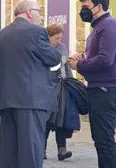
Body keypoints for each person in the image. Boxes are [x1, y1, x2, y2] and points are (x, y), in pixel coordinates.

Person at [0, 0, 61, 168]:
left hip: (7, 103)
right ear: (29, 12)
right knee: (31, 153)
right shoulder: (37, 33)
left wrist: (1, 103)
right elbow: (53, 58)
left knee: (9, 155)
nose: (41, 16)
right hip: (32, 103)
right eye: (39, 11)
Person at [68, 0, 116, 168]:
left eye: (86, 7)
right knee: (100, 140)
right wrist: (83, 60)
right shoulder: (99, 27)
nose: (82, 12)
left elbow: (105, 60)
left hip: (107, 90)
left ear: (99, 6)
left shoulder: (109, 26)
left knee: (105, 141)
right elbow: (100, 59)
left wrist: (79, 66)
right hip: (99, 88)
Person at [44, 24, 75, 161]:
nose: (59, 41)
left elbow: (65, 66)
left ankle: (61, 150)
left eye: (60, 38)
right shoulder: (43, 48)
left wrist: (71, 82)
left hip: (61, 86)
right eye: (56, 38)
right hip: (46, 88)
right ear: (49, 37)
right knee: (46, 120)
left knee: (61, 119)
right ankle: (41, 150)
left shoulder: (62, 48)